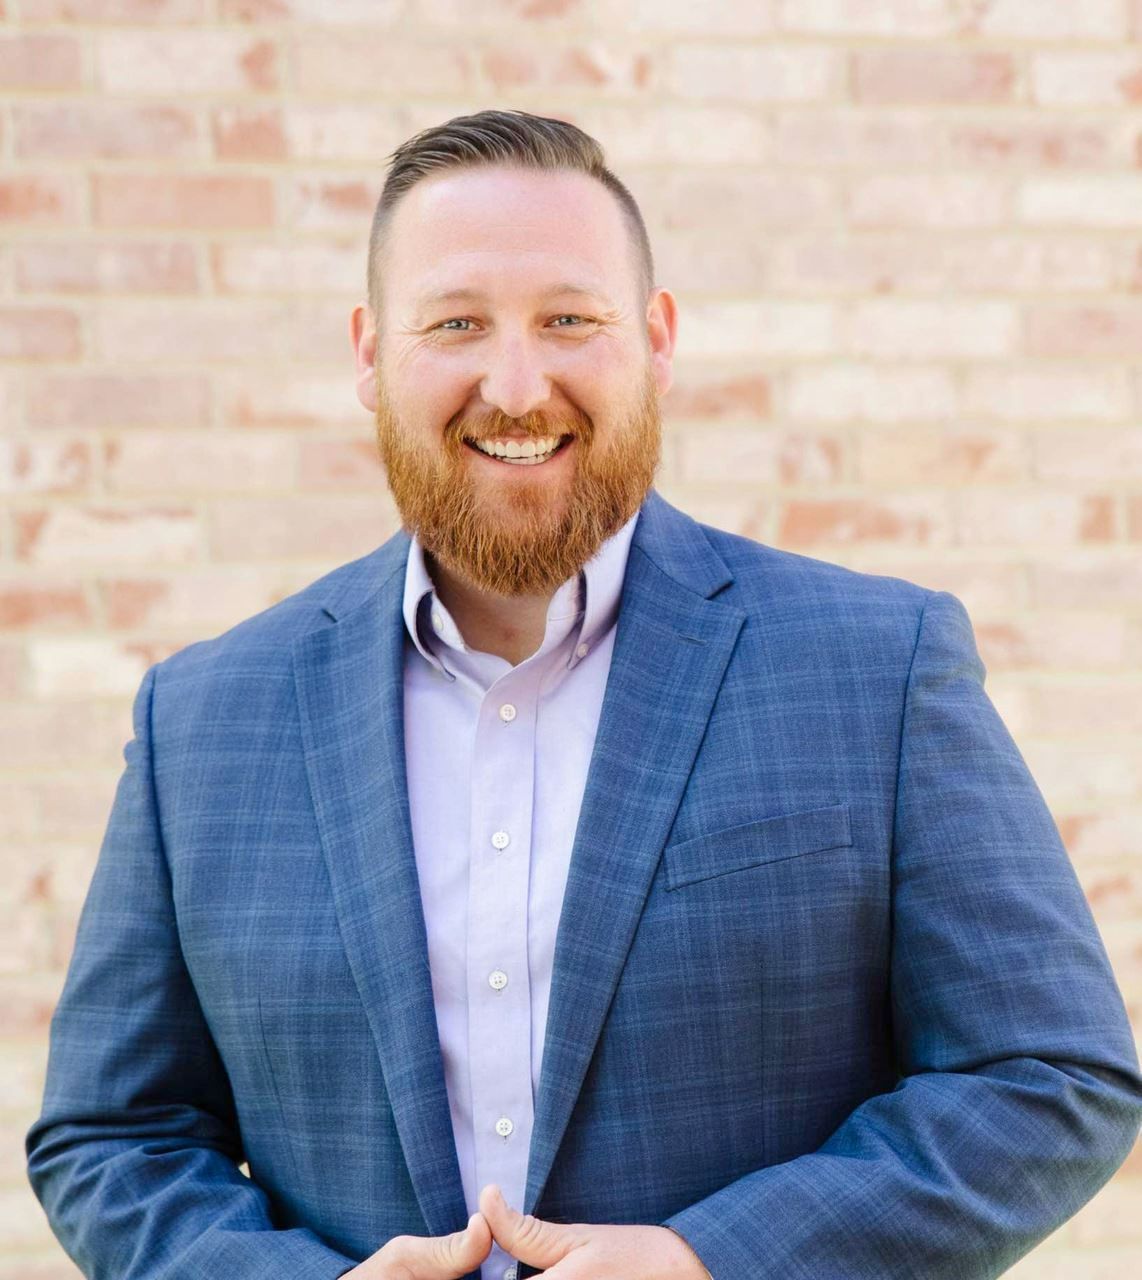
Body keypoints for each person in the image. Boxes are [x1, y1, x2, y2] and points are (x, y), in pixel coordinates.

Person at [26, 108, 1142, 1280]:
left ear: (656, 339)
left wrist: (713, 1261)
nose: (516, 385)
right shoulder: (202, 721)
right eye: (456, 323)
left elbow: (1048, 1072)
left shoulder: (878, 666)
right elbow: (114, 1136)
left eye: (569, 318)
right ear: (368, 353)